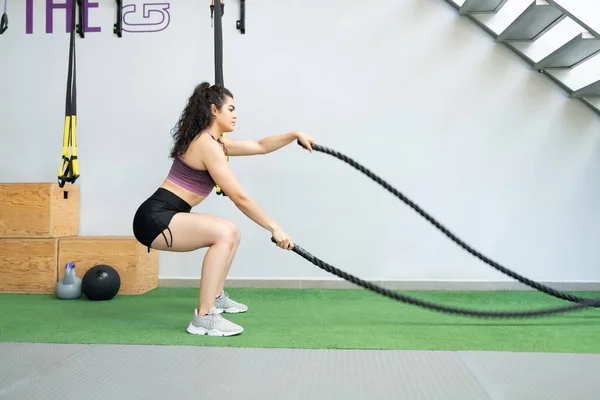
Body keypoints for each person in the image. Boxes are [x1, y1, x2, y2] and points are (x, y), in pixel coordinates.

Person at [132, 82, 317, 337]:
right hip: (155, 218)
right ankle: (203, 317)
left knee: (232, 232)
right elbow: (240, 198)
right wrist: (275, 228)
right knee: (225, 233)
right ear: (213, 111)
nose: (235, 114)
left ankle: (216, 297)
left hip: (165, 215)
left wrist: (294, 135)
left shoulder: (215, 143)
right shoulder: (206, 145)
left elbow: (261, 145)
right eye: (230, 108)